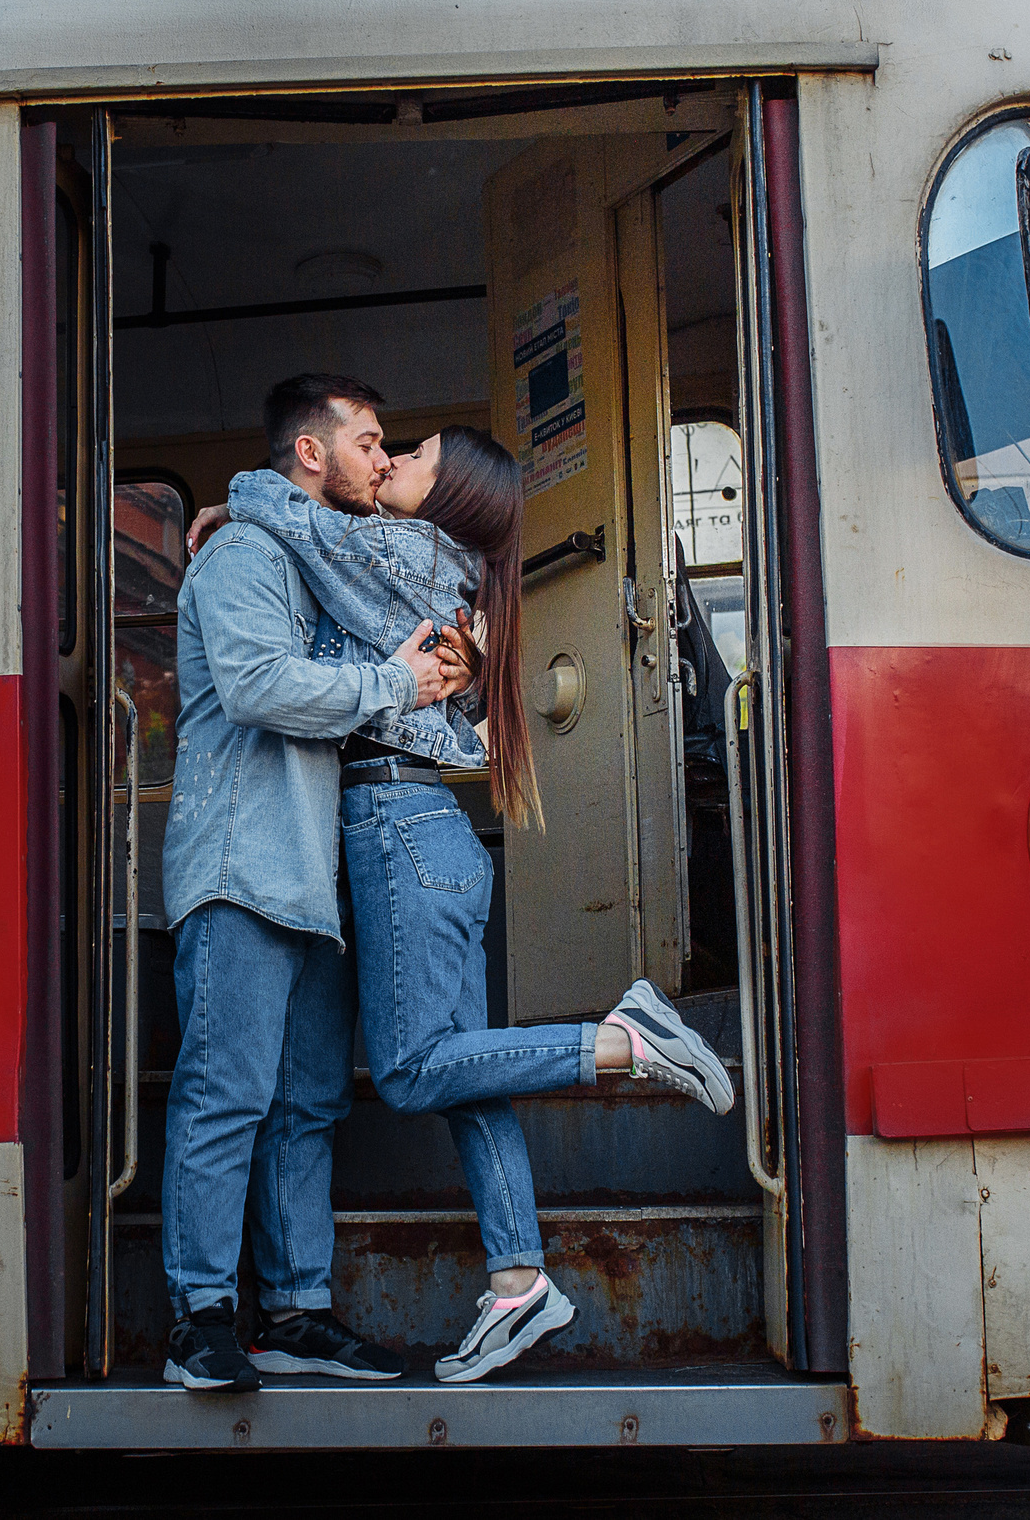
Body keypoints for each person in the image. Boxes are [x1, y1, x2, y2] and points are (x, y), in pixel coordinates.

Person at [192, 425, 735, 1383]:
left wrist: (236, 497)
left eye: (414, 458)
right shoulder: (450, 572)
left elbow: (302, 524)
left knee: (408, 1070)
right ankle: (520, 1280)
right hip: (425, 834)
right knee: (463, 1076)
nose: (390, 459)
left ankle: (624, 1040)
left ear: (451, 500)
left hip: (397, 826)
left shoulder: (404, 551)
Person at [157, 373, 475, 1394]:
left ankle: (295, 1313)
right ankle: (199, 1321)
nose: (384, 461)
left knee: (304, 1109)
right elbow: (255, 686)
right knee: (226, 1098)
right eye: (371, 442)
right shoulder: (246, 556)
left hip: (308, 880)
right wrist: (396, 681)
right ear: (310, 451)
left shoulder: (310, 555)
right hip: (239, 873)